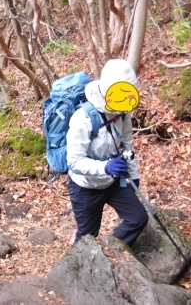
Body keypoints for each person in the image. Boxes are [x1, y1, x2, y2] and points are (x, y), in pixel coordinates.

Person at [66, 59, 148, 247]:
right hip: (85, 187)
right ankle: (79, 270)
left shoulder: (124, 113)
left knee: (138, 219)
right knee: (87, 239)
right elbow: (74, 161)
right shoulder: (84, 117)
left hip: (113, 182)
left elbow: (127, 145)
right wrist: (105, 166)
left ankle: (112, 253)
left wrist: (134, 176)